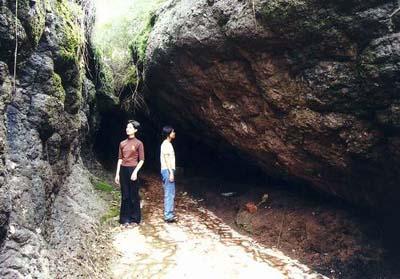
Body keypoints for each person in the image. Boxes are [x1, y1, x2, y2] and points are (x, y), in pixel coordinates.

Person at [114, 120, 145, 227]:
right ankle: (124, 219)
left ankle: (135, 219)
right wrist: (117, 174)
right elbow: (120, 159)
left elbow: (141, 160)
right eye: (127, 127)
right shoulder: (122, 143)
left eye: (130, 127)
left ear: (135, 130)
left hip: (133, 169)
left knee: (134, 195)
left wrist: (135, 172)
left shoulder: (138, 143)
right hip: (123, 170)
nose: (128, 129)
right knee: (125, 195)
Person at [160, 125, 177, 223]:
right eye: (173, 132)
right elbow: (167, 159)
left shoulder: (167, 144)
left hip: (167, 170)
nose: (174, 133)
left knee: (170, 192)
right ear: (168, 134)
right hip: (167, 170)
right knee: (169, 193)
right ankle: (168, 215)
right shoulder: (166, 144)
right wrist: (171, 172)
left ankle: (169, 214)